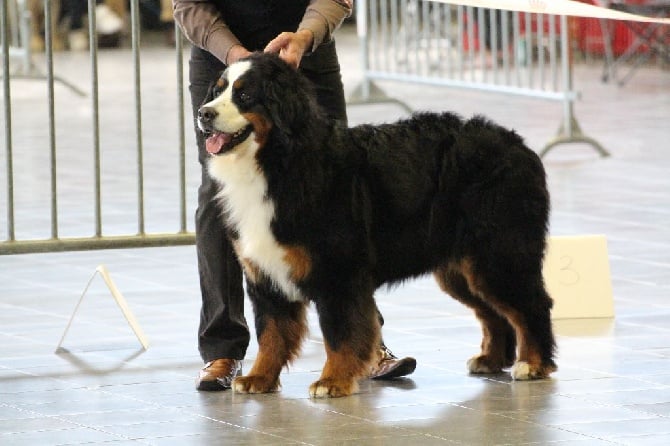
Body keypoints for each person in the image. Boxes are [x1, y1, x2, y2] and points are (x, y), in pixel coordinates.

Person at [173, 0, 416, 391]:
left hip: (303, 55)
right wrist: (237, 57)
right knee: (217, 194)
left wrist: (306, 35)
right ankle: (223, 348)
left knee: (340, 194)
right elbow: (189, 5)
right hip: (222, 58)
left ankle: (365, 344)